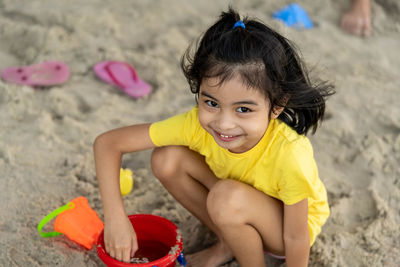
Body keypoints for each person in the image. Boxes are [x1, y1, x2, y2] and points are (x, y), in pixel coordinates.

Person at [94, 8, 334, 267]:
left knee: (226, 197)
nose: (224, 123)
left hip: (283, 233)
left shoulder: (290, 154)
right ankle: (228, 242)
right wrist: (116, 218)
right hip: (233, 199)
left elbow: (296, 237)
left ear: (277, 106)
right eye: (211, 103)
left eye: (243, 109)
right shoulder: (195, 124)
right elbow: (108, 143)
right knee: (167, 158)